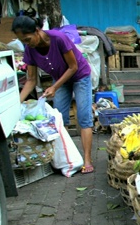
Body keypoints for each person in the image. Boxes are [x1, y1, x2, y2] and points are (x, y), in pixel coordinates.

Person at [12, 15, 94, 174]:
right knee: (58, 118)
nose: (27, 44)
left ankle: (87, 160)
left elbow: (73, 67)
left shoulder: (58, 38)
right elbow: (31, 80)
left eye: (28, 39)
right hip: (61, 79)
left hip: (80, 75)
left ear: (37, 31)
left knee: (84, 116)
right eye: (23, 41)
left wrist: (54, 87)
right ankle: (64, 159)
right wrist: (16, 104)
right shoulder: (30, 50)